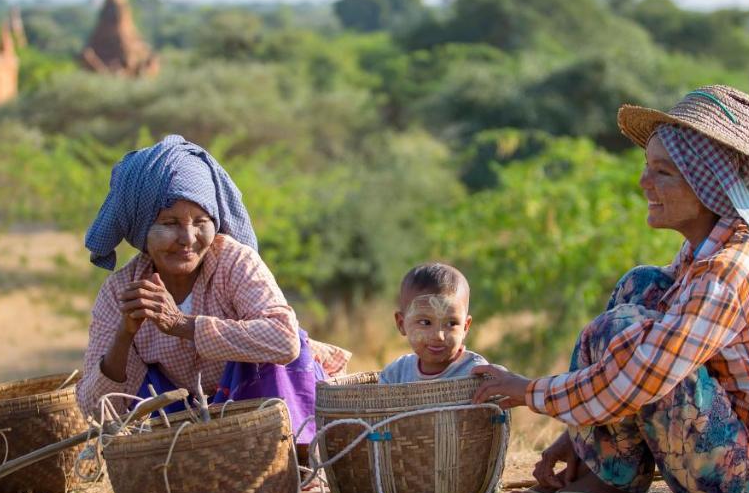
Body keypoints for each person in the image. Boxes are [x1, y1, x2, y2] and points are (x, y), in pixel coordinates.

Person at [472, 86, 749, 493]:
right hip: (741, 445)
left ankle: (613, 485)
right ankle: (600, 472)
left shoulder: (730, 269)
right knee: (642, 285)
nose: (645, 182)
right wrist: (583, 437)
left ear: (708, 185)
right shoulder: (706, 255)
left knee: (623, 334)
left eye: (663, 172)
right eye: (648, 168)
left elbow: (644, 376)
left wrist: (525, 390)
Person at [75, 134, 349, 446]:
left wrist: (180, 324)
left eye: (201, 221)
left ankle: (295, 459)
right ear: (141, 230)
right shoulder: (121, 291)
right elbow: (94, 408)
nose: (188, 238)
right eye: (169, 223)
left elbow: (285, 341)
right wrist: (124, 335)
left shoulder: (233, 261)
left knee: (276, 343)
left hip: (262, 410)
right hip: (189, 425)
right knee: (143, 385)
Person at [378, 263, 497, 384]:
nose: (438, 336)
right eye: (425, 322)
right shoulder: (395, 375)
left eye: (451, 323)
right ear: (401, 324)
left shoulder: (476, 373)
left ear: (465, 327)